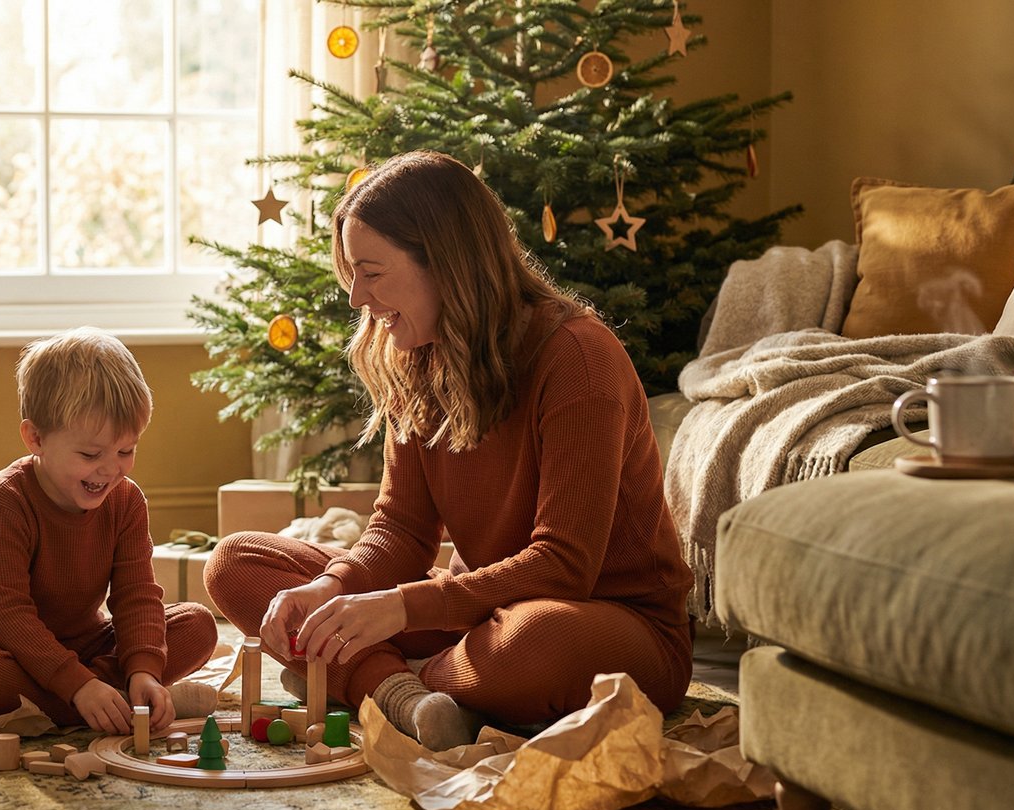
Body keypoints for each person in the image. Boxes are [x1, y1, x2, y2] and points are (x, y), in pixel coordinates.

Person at [204, 151, 694, 750]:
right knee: (238, 563)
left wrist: (402, 611)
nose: (356, 297)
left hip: (604, 623)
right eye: (351, 274)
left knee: (529, 644)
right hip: (478, 614)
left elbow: (565, 566)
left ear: (446, 265)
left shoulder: (578, 358)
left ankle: (371, 679)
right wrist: (333, 588)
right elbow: (403, 528)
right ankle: (409, 696)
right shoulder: (418, 353)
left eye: (372, 272)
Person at [0, 328, 217, 735]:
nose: (110, 469)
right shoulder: (1, 503)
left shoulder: (126, 502)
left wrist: (144, 670)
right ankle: (99, 702)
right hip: (2, 645)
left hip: (85, 646)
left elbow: (136, 594)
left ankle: (109, 695)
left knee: (197, 624)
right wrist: (79, 685)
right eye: (90, 454)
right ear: (36, 439)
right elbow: (8, 618)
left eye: (126, 450)